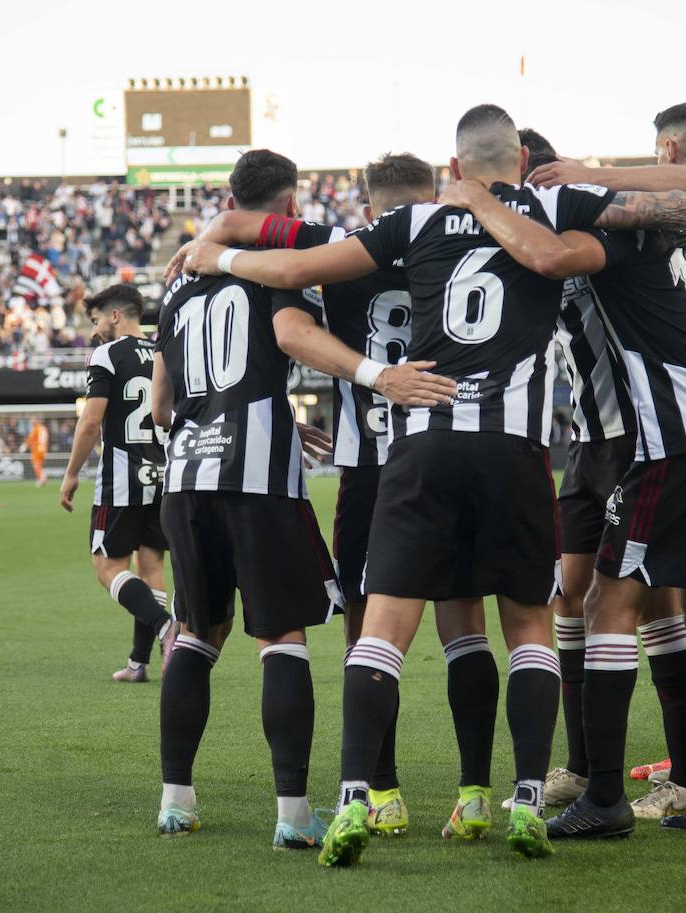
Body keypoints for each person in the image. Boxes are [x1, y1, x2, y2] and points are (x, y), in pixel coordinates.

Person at [178, 103, 686, 862]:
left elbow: (292, 272)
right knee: (527, 625)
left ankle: (359, 794)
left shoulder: (416, 221)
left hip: (418, 445)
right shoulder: (554, 203)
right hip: (515, 447)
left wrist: (215, 257)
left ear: (453, 168)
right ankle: (522, 796)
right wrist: (592, 173)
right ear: (521, 159)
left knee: (382, 628)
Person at [443, 153, 686, 835]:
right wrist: (598, 171)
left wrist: (481, 202)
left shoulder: (610, 236)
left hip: (678, 440)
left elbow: (549, 257)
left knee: (608, 600)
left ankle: (603, 797)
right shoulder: (666, 224)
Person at [167, 152, 494, 840]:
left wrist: (211, 241)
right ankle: (473, 793)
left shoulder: (336, 252)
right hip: (462, 452)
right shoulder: (470, 246)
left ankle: (379, 791)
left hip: (351, 466)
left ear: (370, 210)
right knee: (465, 623)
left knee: (358, 633)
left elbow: (197, 381)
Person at [511, 129, 686, 813]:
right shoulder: (517, 224)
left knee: (650, 600)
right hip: (586, 442)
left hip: (639, 433)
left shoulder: (580, 208)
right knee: (568, 595)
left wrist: (589, 172)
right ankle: (581, 764)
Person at [59, 284, 173, 684]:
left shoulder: (108, 353)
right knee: (152, 568)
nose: (95, 332)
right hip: (163, 475)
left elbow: (91, 421)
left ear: (114, 316)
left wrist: (71, 472)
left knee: (107, 567)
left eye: (95, 322)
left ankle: (166, 626)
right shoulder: (165, 351)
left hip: (122, 476)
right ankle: (140, 663)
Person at [25, 419, 49, 487]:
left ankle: (42, 479)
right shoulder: (44, 428)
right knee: (40, 465)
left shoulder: (36, 428)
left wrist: (24, 446)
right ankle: (43, 478)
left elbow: (30, 438)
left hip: (37, 449)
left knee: (36, 465)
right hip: (44, 449)